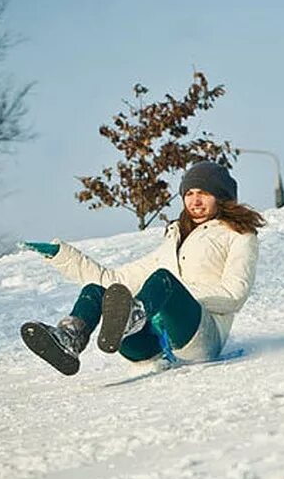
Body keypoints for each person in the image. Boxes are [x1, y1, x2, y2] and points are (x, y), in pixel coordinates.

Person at [20, 161, 265, 376]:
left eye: (203, 193)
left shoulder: (239, 235)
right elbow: (113, 279)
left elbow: (235, 294)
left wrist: (175, 296)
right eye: (188, 193)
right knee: (97, 289)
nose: (194, 200)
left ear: (220, 196)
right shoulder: (173, 241)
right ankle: (70, 338)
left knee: (163, 280)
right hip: (151, 346)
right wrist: (61, 256)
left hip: (200, 337)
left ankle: (133, 315)